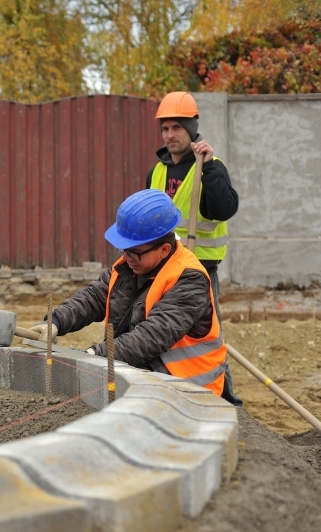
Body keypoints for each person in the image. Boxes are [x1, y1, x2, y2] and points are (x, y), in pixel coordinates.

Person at [31, 189, 228, 396]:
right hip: (148, 373)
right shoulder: (130, 264)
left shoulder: (189, 279)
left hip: (190, 389)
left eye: (134, 251)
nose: (127, 257)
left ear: (164, 250)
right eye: (125, 249)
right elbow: (95, 297)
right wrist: (56, 322)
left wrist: (95, 355)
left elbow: (152, 336)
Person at [147, 91, 242, 404]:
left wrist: (211, 166)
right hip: (162, 269)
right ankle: (171, 393)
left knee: (206, 339)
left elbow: (225, 208)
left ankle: (225, 400)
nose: (170, 134)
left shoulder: (209, 166)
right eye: (166, 128)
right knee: (162, 331)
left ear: (191, 129)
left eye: (177, 128)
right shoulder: (157, 171)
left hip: (199, 270)